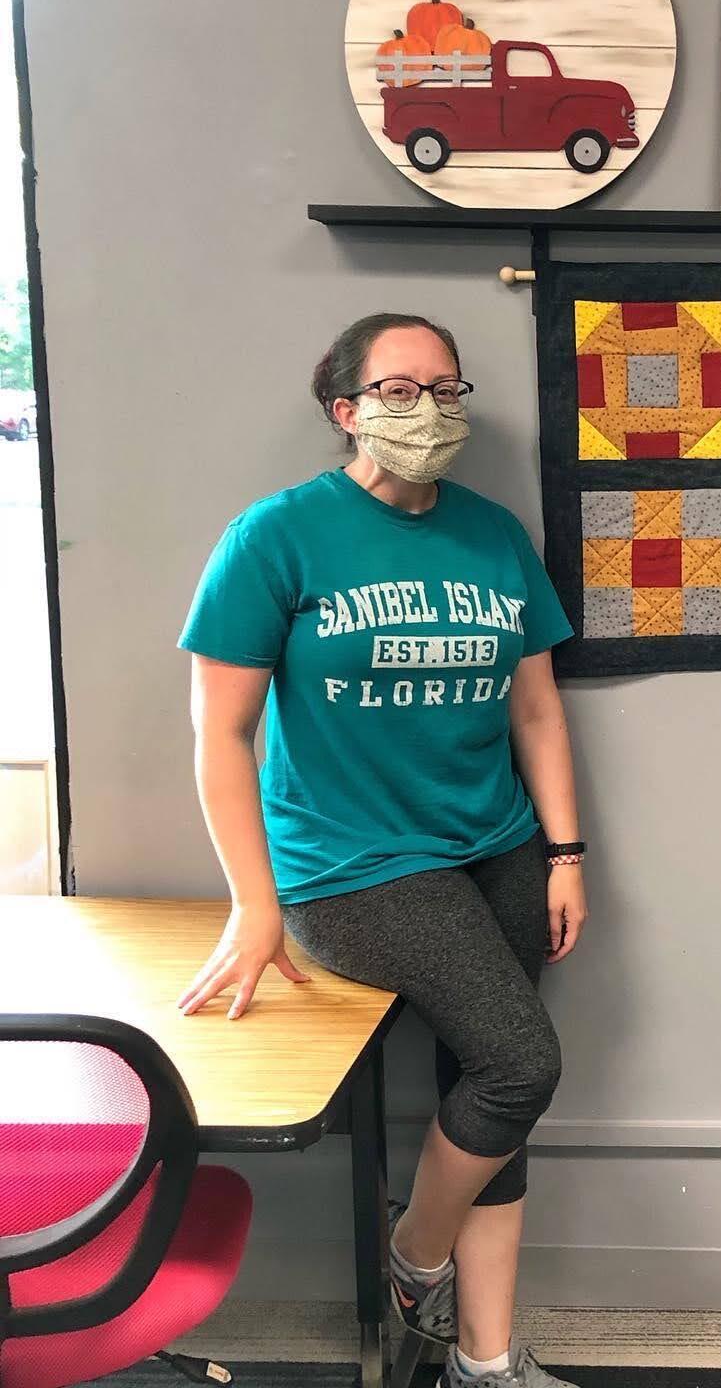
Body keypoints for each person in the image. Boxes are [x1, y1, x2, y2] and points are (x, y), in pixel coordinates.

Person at [178, 313, 587, 1388]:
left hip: (495, 846)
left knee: (493, 1090)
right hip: (352, 868)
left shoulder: (495, 534)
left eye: (446, 389)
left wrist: (567, 852)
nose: (429, 410)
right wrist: (254, 905)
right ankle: (415, 1255)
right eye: (399, 390)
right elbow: (220, 734)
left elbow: (536, 712)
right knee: (522, 1062)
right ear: (345, 410)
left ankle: (487, 1364)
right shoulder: (277, 536)